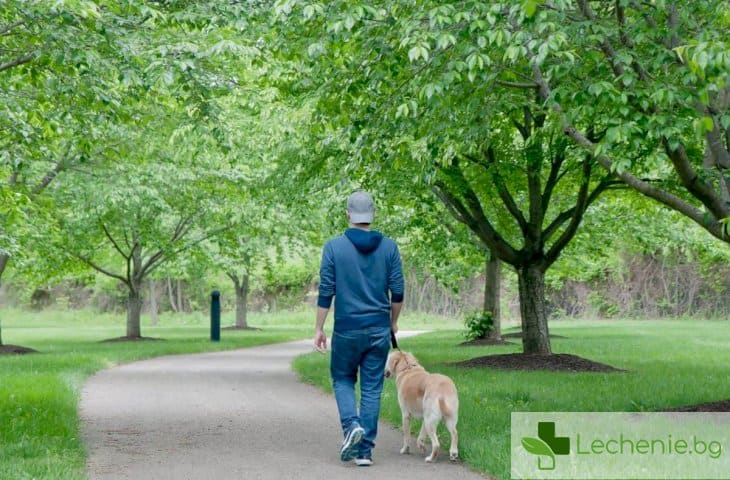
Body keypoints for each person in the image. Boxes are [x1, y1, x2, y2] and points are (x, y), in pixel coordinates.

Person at [314, 190, 404, 467]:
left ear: (348, 214)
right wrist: (392, 323)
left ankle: (351, 425)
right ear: (372, 214)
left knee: (342, 378)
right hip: (378, 329)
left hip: (346, 329)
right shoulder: (389, 248)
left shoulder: (333, 247)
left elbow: (326, 290)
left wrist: (319, 327)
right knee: (372, 388)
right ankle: (365, 451)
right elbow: (397, 291)